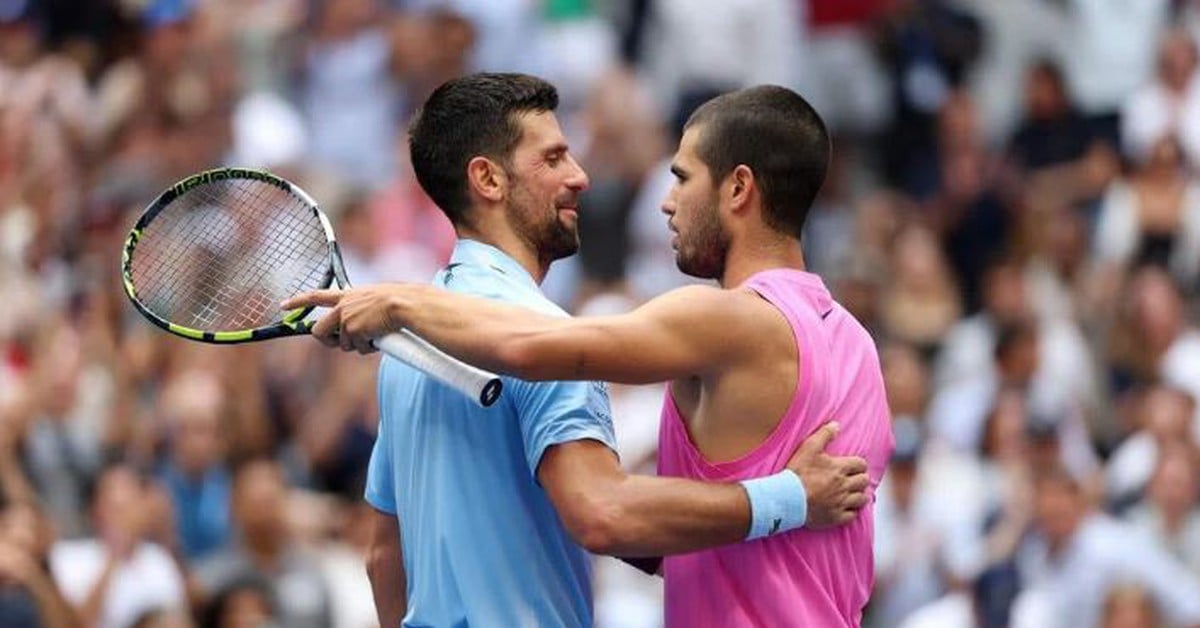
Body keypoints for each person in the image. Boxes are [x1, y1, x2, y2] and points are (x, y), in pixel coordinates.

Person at [286, 79, 893, 626]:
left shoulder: (414, 350)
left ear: (739, 188)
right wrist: (787, 499)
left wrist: (400, 304)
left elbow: (385, 558)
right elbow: (615, 517)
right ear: (488, 179)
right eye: (553, 157)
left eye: (681, 177)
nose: (581, 176)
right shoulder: (859, 347)